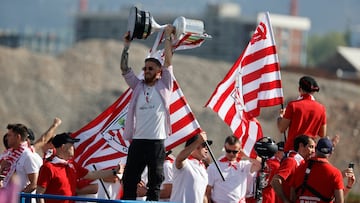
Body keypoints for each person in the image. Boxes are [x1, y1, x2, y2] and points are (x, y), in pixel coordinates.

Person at [120, 24, 176, 201]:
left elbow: (168, 62)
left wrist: (167, 37)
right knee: (129, 180)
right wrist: (126, 46)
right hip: (138, 141)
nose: (146, 71)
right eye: (145, 68)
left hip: (156, 143)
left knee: (155, 181)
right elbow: (124, 69)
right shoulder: (138, 86)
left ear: (159, 72)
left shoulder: (165, 85)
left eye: (151, 68)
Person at [36, 132, 123, 203]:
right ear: (63, 147)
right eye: (71, 145)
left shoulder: (72, 165)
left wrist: (114, 171)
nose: (73, 147)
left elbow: (92, 174)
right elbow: (39, 193)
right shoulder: (48, 167)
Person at [290, 137, 355, 203]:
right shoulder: (335, 173)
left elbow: (292, 198)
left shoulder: (299, 168)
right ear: (331, 153)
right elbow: (339, 201)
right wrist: (348, 187)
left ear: (316, 150)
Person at [205, 135, 261, 203]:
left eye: (234, 151)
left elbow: (261, 165)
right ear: (225, 148)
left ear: (240, 150)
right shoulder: (213, 167)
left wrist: (246, 155)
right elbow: (207, 191)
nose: (231, 154)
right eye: (228, 151)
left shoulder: (243, 165)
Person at [277, 76, 326, 152]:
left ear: (299, 89)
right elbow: (322, 133)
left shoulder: (293, 106)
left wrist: (280, 117)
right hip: (310, 152)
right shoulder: (321, 108)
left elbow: (281, 128)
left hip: (293, 150)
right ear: (313, 91)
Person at [271, 135, 315, 203]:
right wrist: (285, 200)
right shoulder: (292, 161)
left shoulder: (303, 162)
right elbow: (275, 181)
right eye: (311, 147)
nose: (313, 151)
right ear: (301, 146)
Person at [170, 132, 211, 203]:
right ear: (195, 146)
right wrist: (198, 141)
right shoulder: (186, 163)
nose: (207, 148)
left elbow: (202, 195)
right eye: (204, 145)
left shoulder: (203, 168)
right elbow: (179, 159)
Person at [3, 123, 42, 194]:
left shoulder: (28, 156)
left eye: (9, 135)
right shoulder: (9, 154)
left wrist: (18, 196)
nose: (6, 138)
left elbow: (34, 184)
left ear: (18, 137)